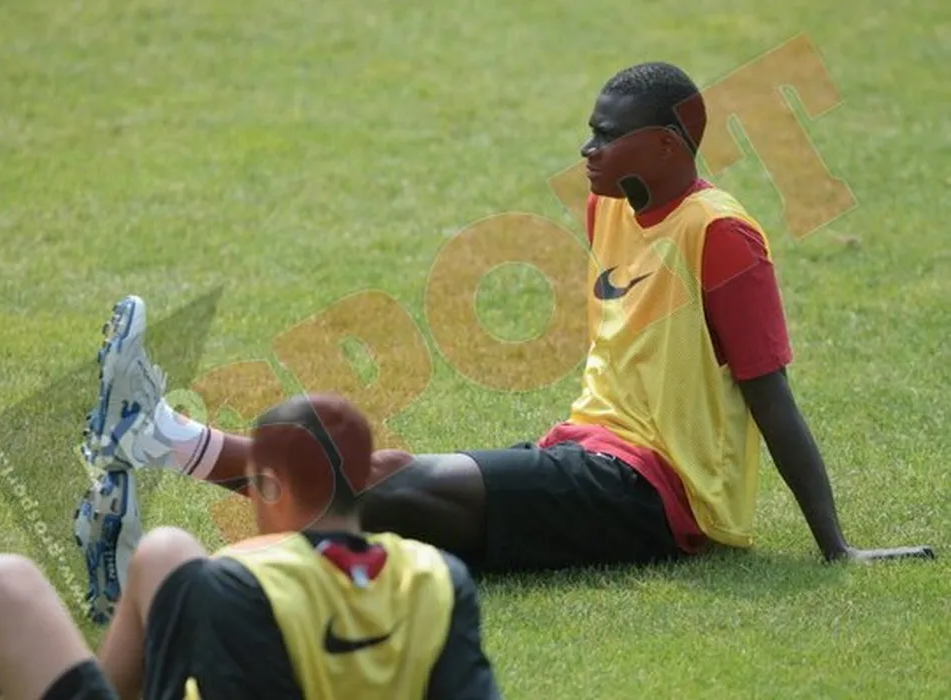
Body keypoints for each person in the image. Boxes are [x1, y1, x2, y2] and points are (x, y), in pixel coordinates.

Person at [76, 60, 933, 623]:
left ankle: (161, 475)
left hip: (653, 494)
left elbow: (770, 394)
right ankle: (158, 493)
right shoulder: (609, 206)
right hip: (585, 453)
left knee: (392, 488)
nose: (588, 148)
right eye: (590, 130)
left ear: (668, 146)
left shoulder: (723, 237)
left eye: (608, 135)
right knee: (384, 498)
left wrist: (837, 546)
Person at [0, 393, 501, 699]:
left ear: (267, 484)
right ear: (369, 477)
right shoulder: (439, 576)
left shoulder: (237, 586)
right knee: (165, 549)